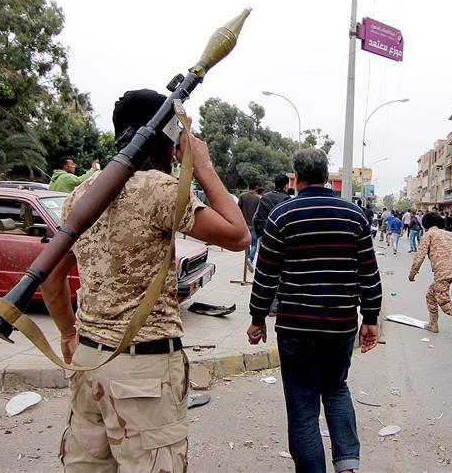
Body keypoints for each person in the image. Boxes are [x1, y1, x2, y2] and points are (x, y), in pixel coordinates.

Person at [41, 89, 250, 472]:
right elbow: (238, 236)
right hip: (143, 371)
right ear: (167, 138)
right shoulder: (160, 190)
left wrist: (69, 334)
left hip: (88, 364)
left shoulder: (81, 194)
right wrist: (202, 165)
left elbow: (51, 277)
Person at [247, 148, 381, 473]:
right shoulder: (354, 216)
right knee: (336, 388)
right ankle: (347, 465)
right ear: (326, 176)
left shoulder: (282, 215)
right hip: (341, 324)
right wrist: (371, 318)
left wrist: (257, 318)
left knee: (303, 406)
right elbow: (368, 272)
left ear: (296, 178)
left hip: (296, 326)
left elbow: (266, 274)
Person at [253, 174, 291, 238]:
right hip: (280, 236)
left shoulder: (265, 197)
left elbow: (256, 217)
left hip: (264, 233)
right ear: (286, 186)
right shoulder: (287, 199)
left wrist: (259, 234)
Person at [238, 181, 261, 268]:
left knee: (247, 243)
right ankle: (250, 259)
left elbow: (238, 209)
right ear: (256, 187)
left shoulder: (242, 196)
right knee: (254, 243)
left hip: (244, 223)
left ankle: (247, 257)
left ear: (248, 186)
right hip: (254, 224)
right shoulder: (259, 198)